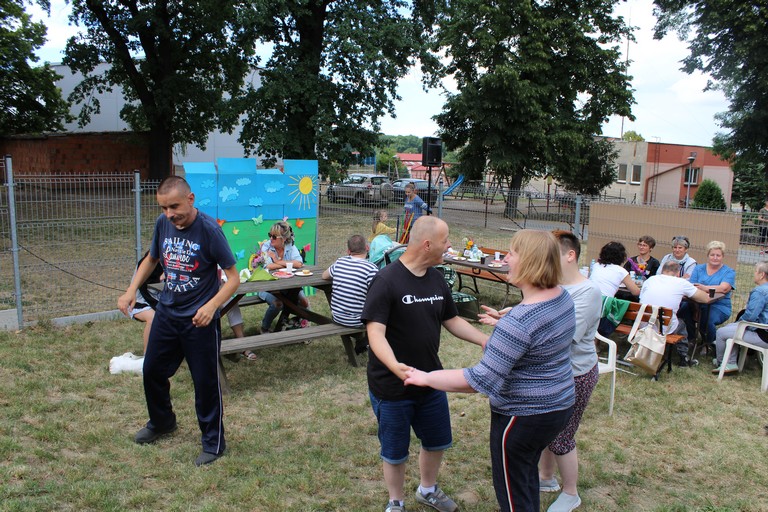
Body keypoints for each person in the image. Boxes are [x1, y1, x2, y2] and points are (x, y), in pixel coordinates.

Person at [404, 229, 576, 512]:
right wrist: (510, 317)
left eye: (512, 253)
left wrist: (426, 377)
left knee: (514, 495)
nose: (506, 259)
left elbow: (480, 380)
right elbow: (537, 328)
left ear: (530, 262)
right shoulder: (562, 298)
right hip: (559, 406)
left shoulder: (518, 323)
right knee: (525, 475)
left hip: (523, 418)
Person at [361, 216, 489, 512]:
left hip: (431, 380)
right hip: (392, 385)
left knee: (437, 441)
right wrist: (395, 366)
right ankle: (396, 501)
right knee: (395, 451)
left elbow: (451, 320)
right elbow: (375, 333)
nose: (450, 245)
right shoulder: (386, 280)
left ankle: (427, 489)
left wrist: (484, 340)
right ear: (428, 244)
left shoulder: (436, 278)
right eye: (446, 240)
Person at [117, 176, 239, 466]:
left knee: (205, 383)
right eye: (163, 208)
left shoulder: (209, 230)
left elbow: (233, 278)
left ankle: (213, 443)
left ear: (190, 199)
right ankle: (162, 422)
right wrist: (131, 289)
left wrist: (211, 306)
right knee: (152, 370)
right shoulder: (163, 224)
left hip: (199, 320)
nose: (169, 214)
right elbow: (152, 259)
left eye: (174, 206)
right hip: (168, 313)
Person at [639, 260, 709, 367]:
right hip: (663, 327)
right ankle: (683, 357)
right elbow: (705, 299)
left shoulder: (650, 280)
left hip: (643, 323)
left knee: (669, 318)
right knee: (681, 324)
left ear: (662, 270)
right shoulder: (681, 283)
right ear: (678, 272)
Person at [322, 234, 379, 354]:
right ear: (367, 248)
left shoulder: (340, 262)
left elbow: (324, 276)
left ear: (348, 251)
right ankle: (366, 341)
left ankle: (363, 341)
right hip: (357, 321)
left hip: (337, 317)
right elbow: (379, 294)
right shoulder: (371, 268)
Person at [712, 261, 768, 374]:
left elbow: (750, 316)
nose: (754, 274)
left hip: (763, 335)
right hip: (764, 331)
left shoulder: (760, 291)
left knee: (721, 333)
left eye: (755, 271)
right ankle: (731, 361)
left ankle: (723, 363)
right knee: (730, 328)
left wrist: (739, 323)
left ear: (762, 275)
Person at [680, 240, 736, 347]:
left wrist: (705, 288)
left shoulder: (729, 272)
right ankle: (691, 338)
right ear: (708, 255)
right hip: (696, 302)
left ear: (723, 256)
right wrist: (712, 289)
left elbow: (724, 288)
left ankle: (709, 343)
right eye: (712, 255)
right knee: (684, 309)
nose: (715, 258)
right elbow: (692, 285)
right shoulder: (698, 268)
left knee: (707, 319)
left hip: (718, 305)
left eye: (718, 255)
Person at [258, 220, 308, 333]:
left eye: (274, 236)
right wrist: (287, 263)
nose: (270, 238)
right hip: (267, 286)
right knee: (278, 304)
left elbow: (299, 263)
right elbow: (268, 266)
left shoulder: (290, 246)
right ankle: (264, 328)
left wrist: (277, 260)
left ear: (284, 239)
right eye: (270, 235)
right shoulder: (266, 246)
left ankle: (300, 326)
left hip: (288, 286)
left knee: (304, 302)